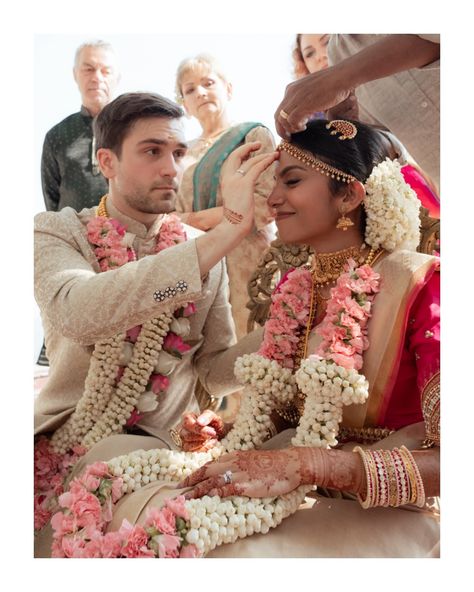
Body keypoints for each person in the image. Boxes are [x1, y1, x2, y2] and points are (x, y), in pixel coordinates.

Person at [43, 119, 439, 558]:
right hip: (294, 483)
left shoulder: (423, 283)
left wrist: (311, 464)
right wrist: (227, 432)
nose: (271, 199)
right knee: (117, 488)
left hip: (379, 503)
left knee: (197, 548)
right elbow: (287, 417)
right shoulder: (300, 289)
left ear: (348, 195)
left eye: (291, 181)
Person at [33, 91, 278, 550]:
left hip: (159, 457)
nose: (171, 168)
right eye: (152, 151)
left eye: (179, 153)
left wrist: (288, 321)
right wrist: (227, 229)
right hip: (64, 447)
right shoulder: (55, 232)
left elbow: (216, 370)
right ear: (106, 162)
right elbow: (80, 312)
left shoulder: (202, 251)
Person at [174, 53, 276, 340]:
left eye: (208, 82)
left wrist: (195, 220)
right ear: (184, 103)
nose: (201, 92)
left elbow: (265, 202)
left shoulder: (252, 136)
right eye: (190, 89)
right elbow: (170, 216)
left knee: (254, 350)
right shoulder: (179, 154)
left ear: (228, 88)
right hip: (198, 267)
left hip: (248, 261)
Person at [275, 34, 440, 189]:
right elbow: (389, 144)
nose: (319, 56)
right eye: (309, 53)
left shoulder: (339, 74)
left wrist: (340, 79)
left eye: (324, 42)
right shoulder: (338, 56)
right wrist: (352, 132)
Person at [40, 40, 121, 213]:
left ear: (117, 78)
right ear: (75, 74)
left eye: (106, 71)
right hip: (69, 236)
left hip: (125, 234)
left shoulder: (131, 130)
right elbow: (51, 198)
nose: (97, 77)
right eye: (89, 69)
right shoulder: (57, 135)